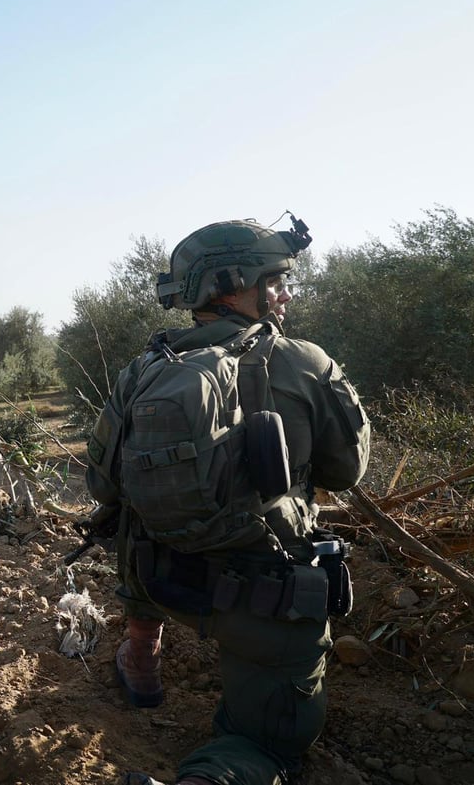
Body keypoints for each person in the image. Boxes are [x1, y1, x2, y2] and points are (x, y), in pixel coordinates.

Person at [86, 217, 371, 785]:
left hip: (159, 575)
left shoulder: (141, 371)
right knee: (265, 742)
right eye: (276, 280)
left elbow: (103, 488)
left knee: (131, 517)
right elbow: (346, 472)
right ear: (232, 283)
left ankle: (141, 658)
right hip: (259, 596)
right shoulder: (304, 362)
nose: (286, 293)